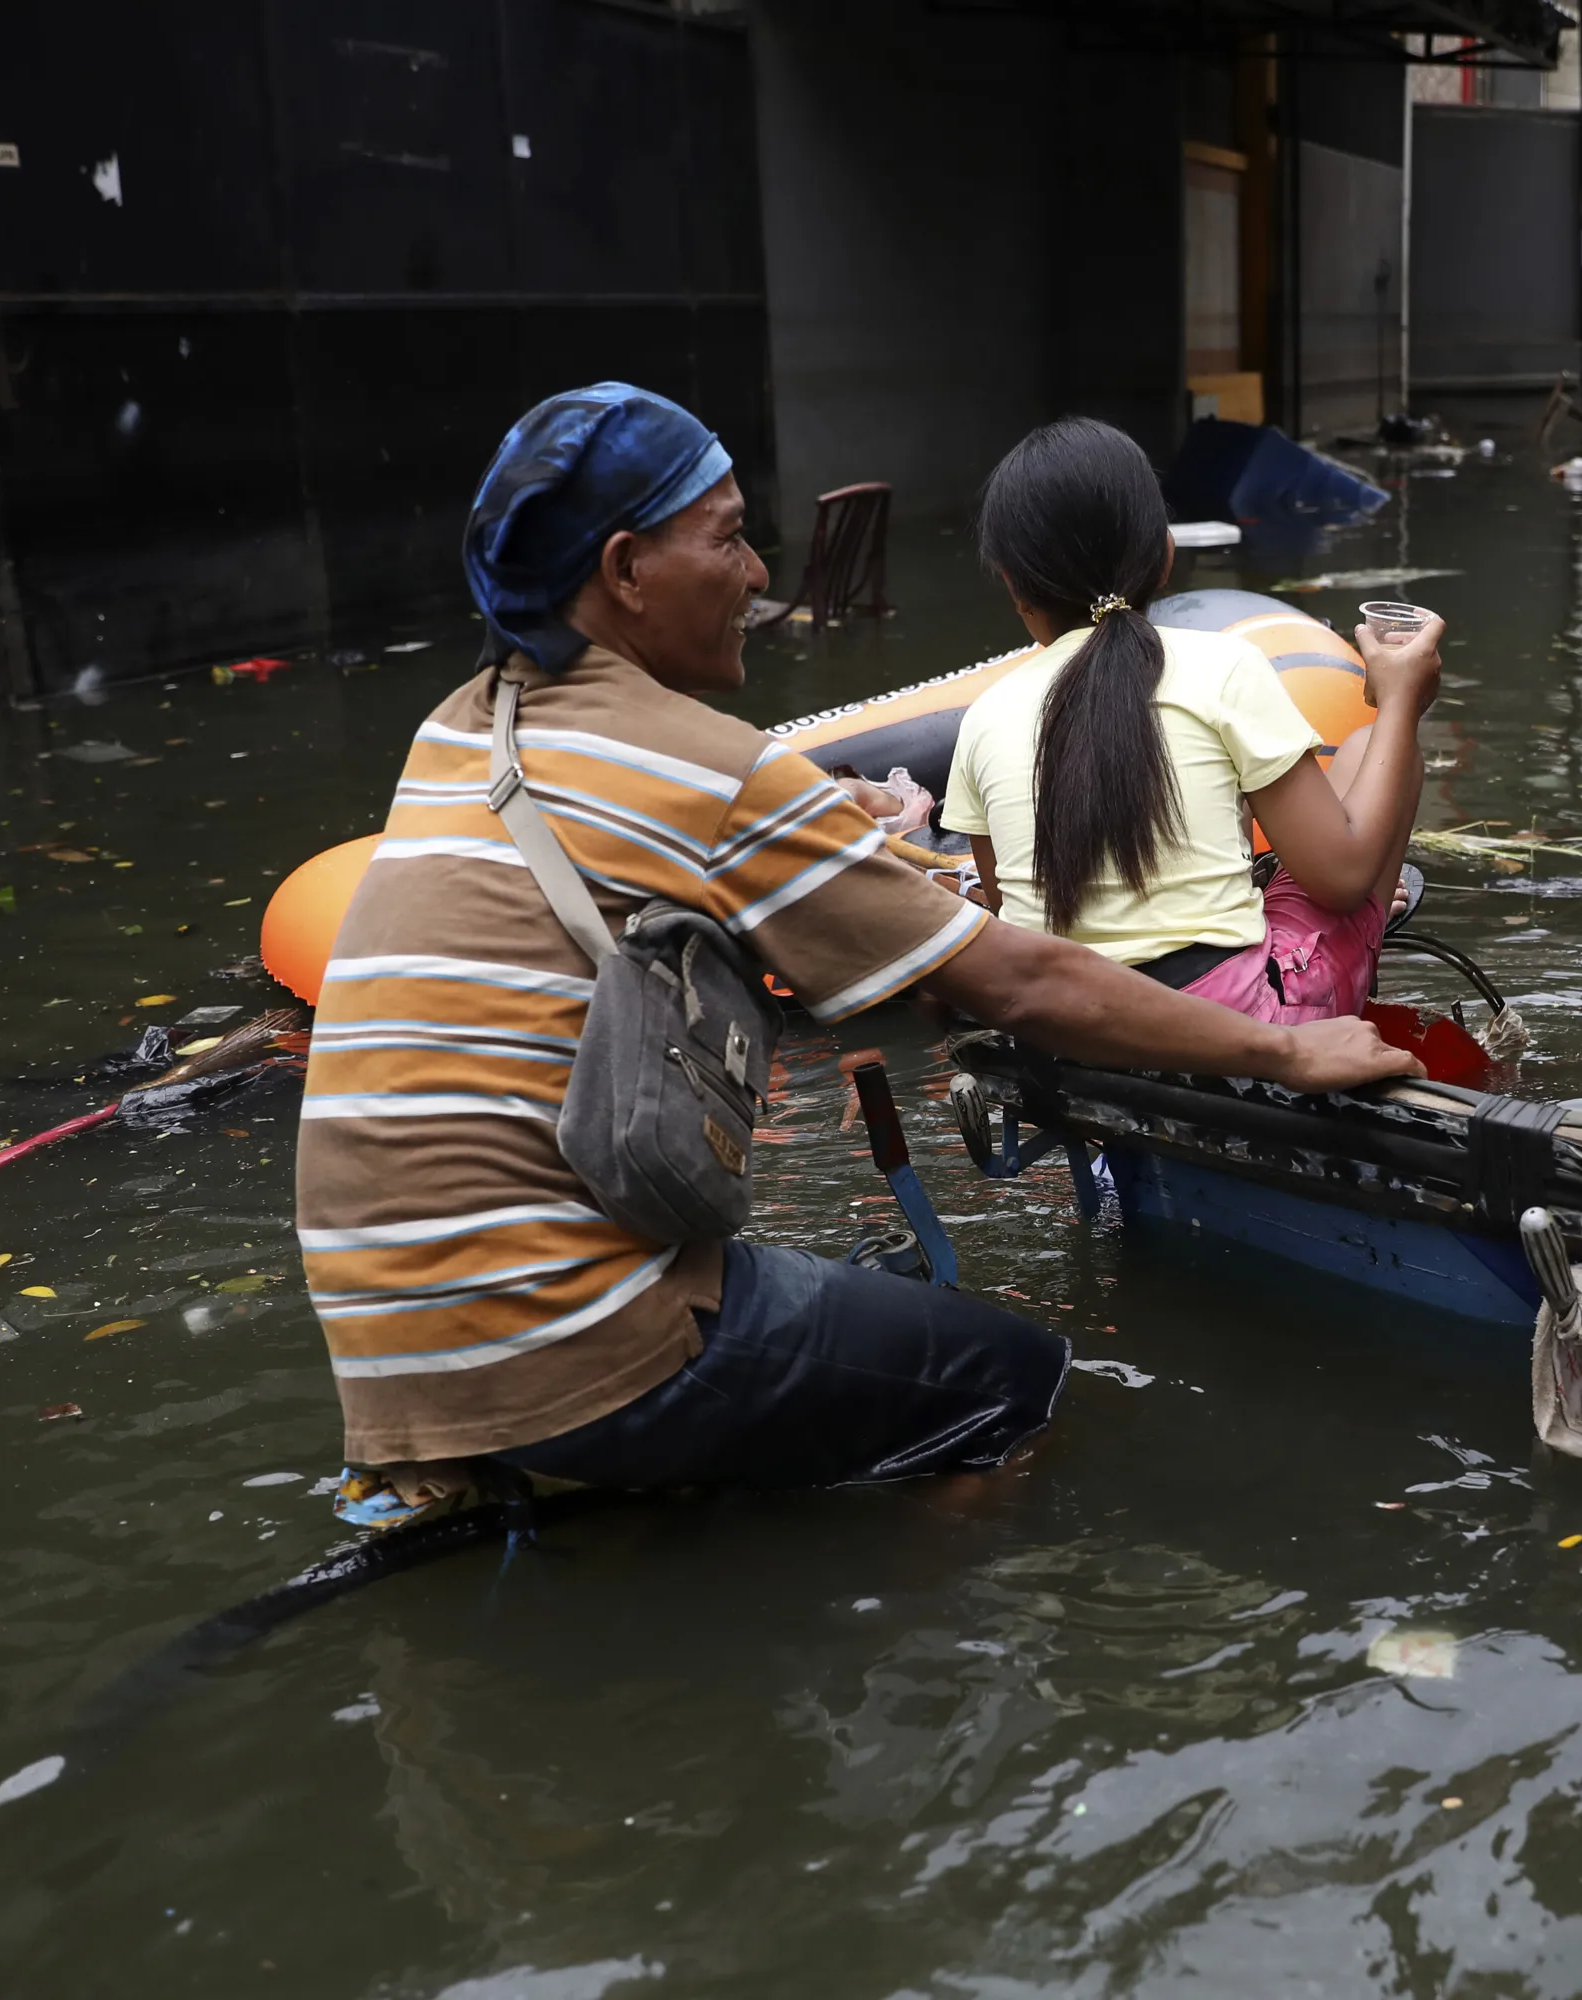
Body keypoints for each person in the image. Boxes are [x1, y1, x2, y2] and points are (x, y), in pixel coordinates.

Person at [296, 385, 1417, 1496]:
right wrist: (1289, 1051)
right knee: (1014, 1378)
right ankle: (898, 1644)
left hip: (386, 1352)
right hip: (569, 1334)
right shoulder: (711, 767)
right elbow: (1017, 975)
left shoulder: (458, 727)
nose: (760, 577)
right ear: (627, 570)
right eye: (730, 540)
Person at [945, 417, 1438, 1025]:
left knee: (1358, 758)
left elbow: (1007, 910)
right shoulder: (1225, 666)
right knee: (1381, 745)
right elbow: (1339, 880)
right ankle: (1349, 986)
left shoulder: (984, 716)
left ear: (1013, 586)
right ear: (1166, 558)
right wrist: (1401, 702)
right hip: (1234, 1028)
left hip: (1063, 1031)